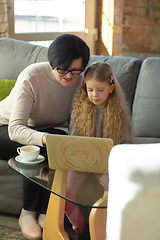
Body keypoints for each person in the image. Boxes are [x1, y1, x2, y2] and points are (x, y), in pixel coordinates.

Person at [0, 33, 90, 240]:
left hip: (43, 129)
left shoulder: (80, 82)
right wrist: (49, 140)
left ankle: (46, 212)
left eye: (76, 70)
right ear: (53, 63)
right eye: (63, 70)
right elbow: (16, 129)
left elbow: (74, 124)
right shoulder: (32, 77)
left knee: (61, 147)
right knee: (44, 147)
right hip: (5, 127)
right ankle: (27, 213)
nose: (69, 76)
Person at [65, 62, 133, 239]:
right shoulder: (80, 109)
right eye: (90, 90)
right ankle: (79, 226)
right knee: (64, 189)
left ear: (111, 88)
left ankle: (106, 228)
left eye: (100, 90)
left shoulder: (119, 113)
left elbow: (124, 144)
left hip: (106, 163)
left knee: (117, 191)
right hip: (83, 161)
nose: (94, 95)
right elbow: (72, 138)